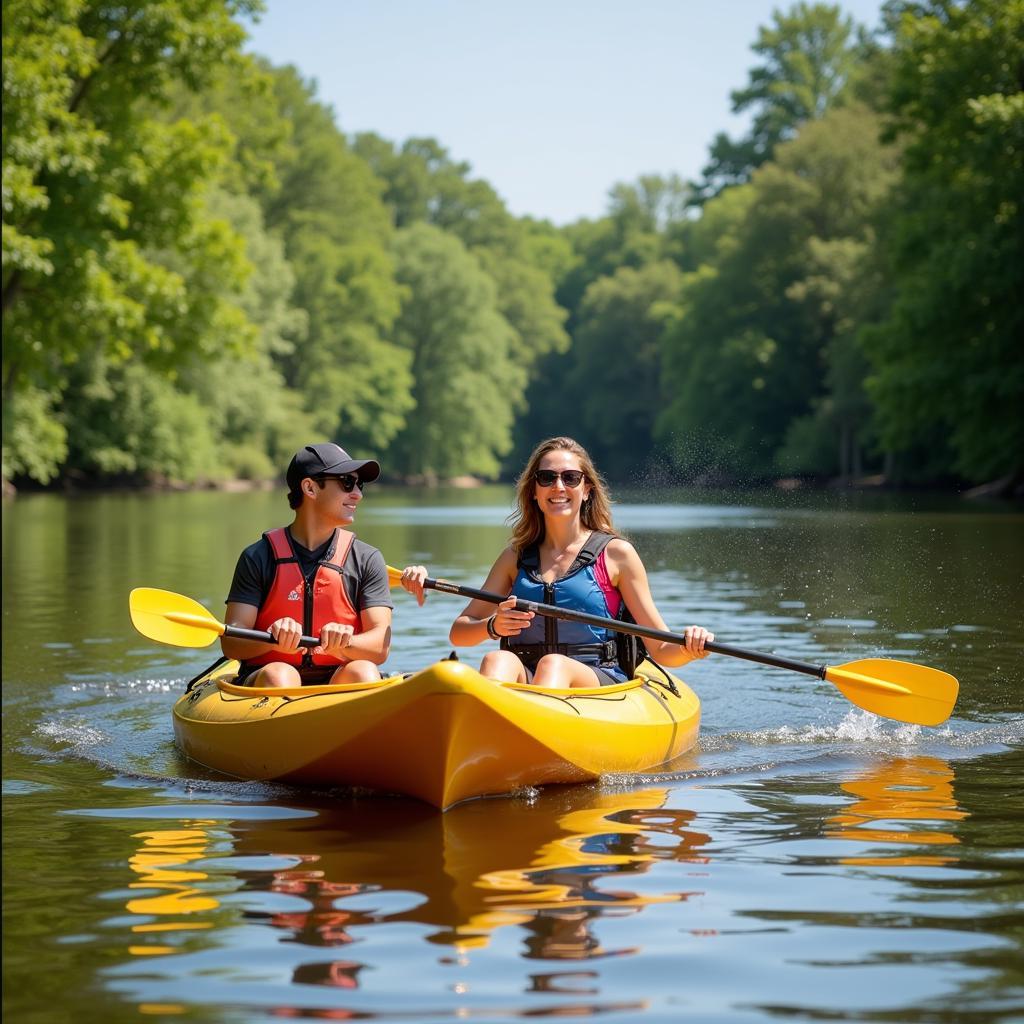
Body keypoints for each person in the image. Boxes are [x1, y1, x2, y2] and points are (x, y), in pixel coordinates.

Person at [446, 436, 714, 688]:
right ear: (534, 492)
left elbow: (661, 650)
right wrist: (492, 626)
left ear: (586, 490)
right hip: (529, 677)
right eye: (546, 477)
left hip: (597, 678)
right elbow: (459, 632)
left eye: (571, 478)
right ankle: (494, 729)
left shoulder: (617, 555)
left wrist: (689, 647)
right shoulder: (514, 558)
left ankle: (538, 729)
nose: (558, 486)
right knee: (496, 659)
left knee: (554, 665)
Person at [222, 442, 425, 687]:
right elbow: (231, 642)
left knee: (363, 671)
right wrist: (272, 638)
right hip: (269, 679)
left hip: (338, 678)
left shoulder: (367, 559)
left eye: (358, 484)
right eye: (346, 483)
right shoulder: (258, 557)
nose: (358, 494)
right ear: (310, 488)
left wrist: (346, 641)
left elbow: (380, 645)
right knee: (280, 676)